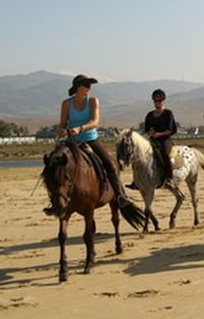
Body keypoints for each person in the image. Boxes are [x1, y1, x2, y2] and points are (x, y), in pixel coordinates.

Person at [43, 74, 135, 215]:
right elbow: (62, 124)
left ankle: (121, 196)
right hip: (71, 141)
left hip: (90, 139)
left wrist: (79, 128)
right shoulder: (66, 104)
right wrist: (62, 130)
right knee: (53, 165)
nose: (89, 87)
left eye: (89, 84)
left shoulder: (93, 101)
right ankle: (54, 201)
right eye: (86, 84)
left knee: (109, 163)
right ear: (77, 88)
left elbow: (95, 122)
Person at [144, 89, 178, 187]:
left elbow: (171, 130)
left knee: (165, 154)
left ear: (163, 100)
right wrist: (151, 133)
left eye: (159, 100)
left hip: (165, 139)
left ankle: (169, 178)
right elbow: (147, 129)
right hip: (153, 139)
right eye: (155, 101)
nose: (157, 103)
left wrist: (159, 134)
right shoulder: (149, 115)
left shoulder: (168, 113)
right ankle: (137, 180)